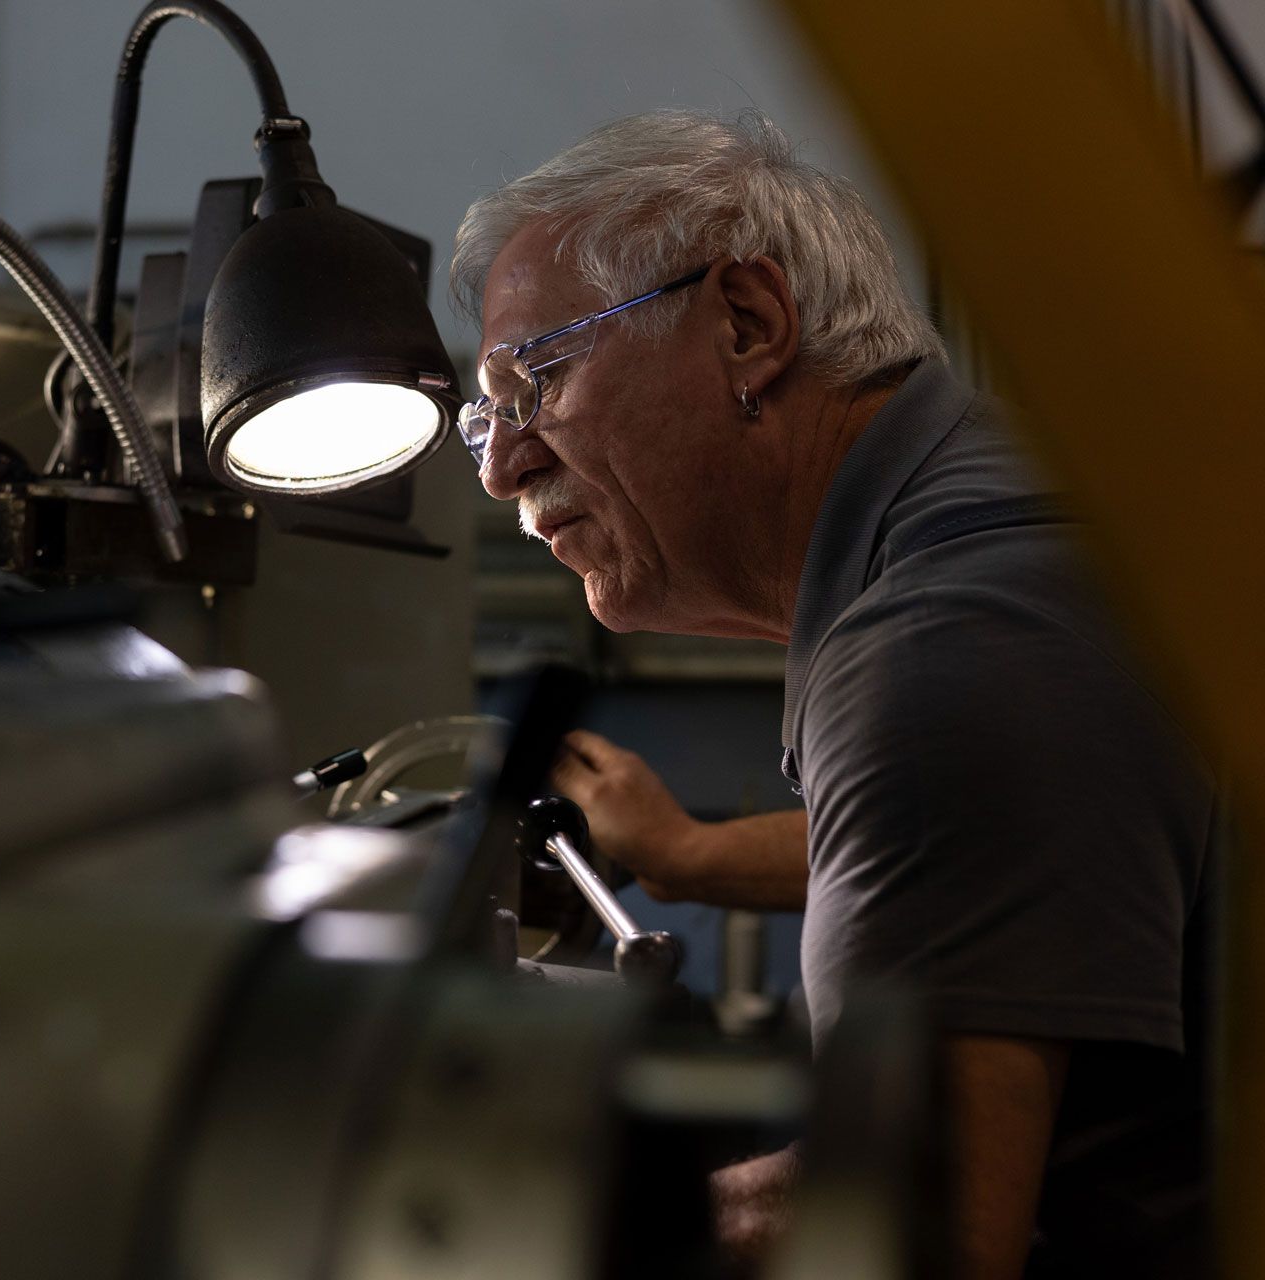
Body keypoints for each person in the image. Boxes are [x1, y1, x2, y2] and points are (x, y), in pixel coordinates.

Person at [451, 111, 1216, 1279]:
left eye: (533, 383)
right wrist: (690, 854)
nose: (505, 463)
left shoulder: (941, 644)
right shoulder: (984, 523)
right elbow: (979, 844)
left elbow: (915, 1230)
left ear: (748, 324)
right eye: (487, 419)